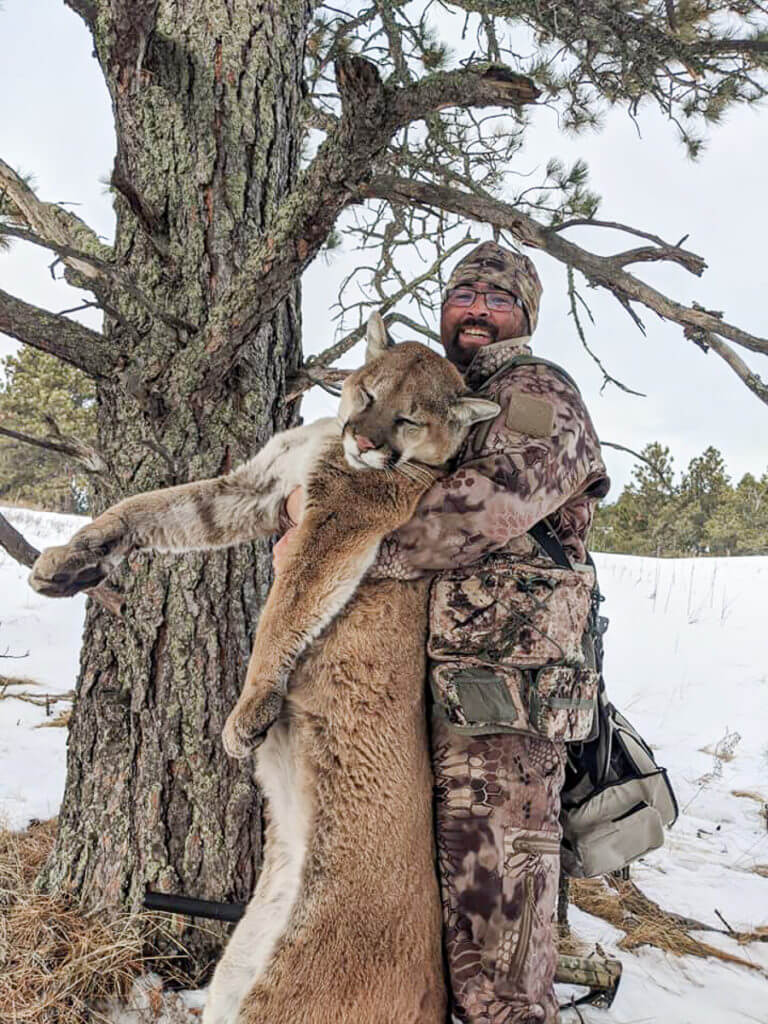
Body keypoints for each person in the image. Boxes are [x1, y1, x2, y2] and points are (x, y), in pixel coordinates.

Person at [279, 242, 609, 1024]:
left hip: (501, 710)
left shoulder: (537, 392)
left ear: (526, 315)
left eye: (497, 299)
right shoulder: (438, 390)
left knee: (497, 957)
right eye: (463, 294)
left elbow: (485, 505)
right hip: (424, 695)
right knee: (427, 931)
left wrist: (343, 551)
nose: (476, 308)